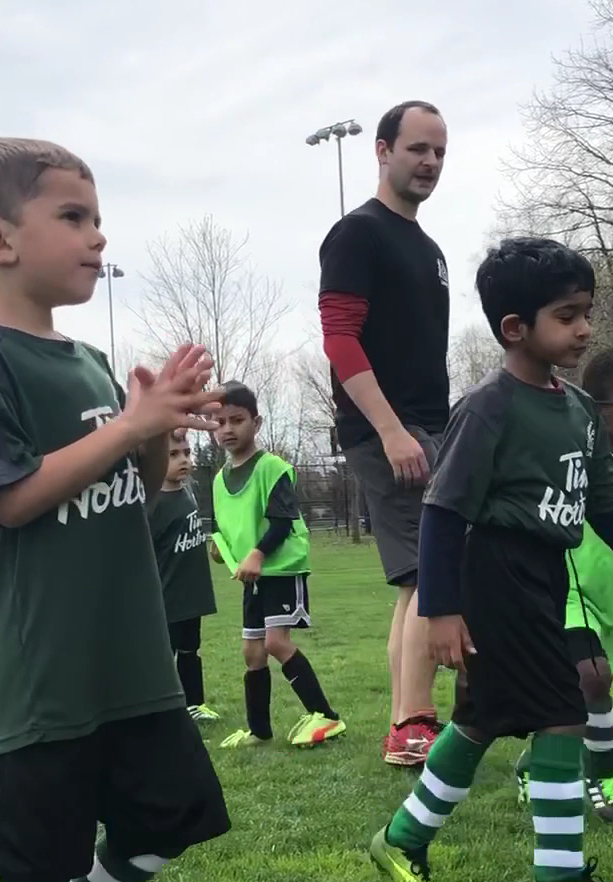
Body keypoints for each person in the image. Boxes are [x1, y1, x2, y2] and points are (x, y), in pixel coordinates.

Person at [0, 136, 232, 882]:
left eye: (98, 218)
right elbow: (11, 499)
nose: (98, 236)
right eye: (73, 216)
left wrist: (153, 427)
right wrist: (132, 427)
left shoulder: (95, 362)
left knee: (173, 813)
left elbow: (127, 494)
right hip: (48, 663)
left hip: (130, 652)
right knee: (38, 856)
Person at [364, 237, 613, 882]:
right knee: (563, 714)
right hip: (495, 575)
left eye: (587, 313)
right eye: (567, 315)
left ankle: (400, 840)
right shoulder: (489, 407)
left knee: (480, 720)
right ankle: (557, 881)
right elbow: (442, 512)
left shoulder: (579, 410)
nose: (584, 329)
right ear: (515, 328)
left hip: (545, 575)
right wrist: (441, 610)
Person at [318, 99, 452, 767]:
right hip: (390, 430)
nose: (429, 162)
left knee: (416, 578)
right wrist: (391, 430)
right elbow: (340, 340)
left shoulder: (428, 249)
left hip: (430, 424)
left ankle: (409, 719)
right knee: (434, 569)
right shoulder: (358, 234)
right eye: (417, 149)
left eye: (439, 152)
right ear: (382, 151)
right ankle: (412, 722)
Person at [511, 346, 613, 825]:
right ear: (599, 410)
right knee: (593, 677)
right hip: (563, 592)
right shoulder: (571, 465)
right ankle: (607, 779)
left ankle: (532, 764)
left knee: (578, 694)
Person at [207, 382, 344, 749]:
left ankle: (326, 716)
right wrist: (223, 551)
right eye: (219, 422)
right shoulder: (219, 480)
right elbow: (228, 527)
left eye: (237, 420)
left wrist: (257, 554)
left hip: (280, 567)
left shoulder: (273, 468)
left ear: (257, 422)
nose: (228, 429)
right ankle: (259, 731)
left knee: (275, 642)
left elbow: (282, 523)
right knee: (252, 652)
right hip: (251, 576)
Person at [151, 427, 222, 723]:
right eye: (173, 454)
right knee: (164, 655)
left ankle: (194, 704)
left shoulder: (188, 492)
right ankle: (161, 710)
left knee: (191, 649)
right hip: (166, 596)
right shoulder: (152, 503)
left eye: (187, 453)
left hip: (193, 593)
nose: (183, 460)